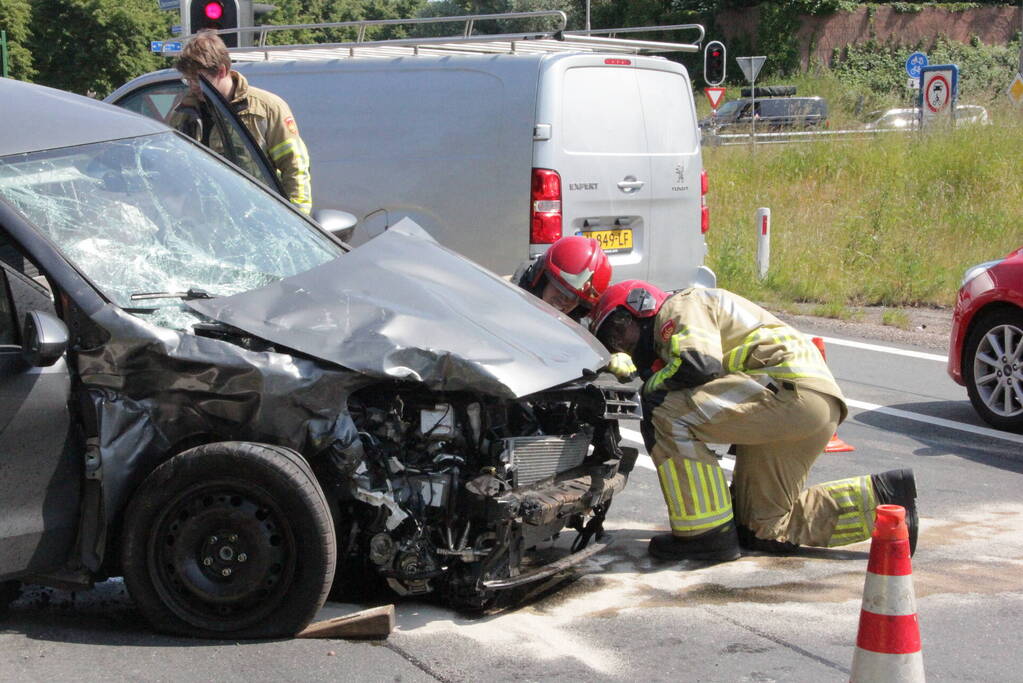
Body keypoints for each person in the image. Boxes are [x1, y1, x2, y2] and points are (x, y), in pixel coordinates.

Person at [589, 281, 918, 562]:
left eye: (620, 330)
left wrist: (646, 384)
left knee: (662, 409)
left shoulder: (680, 306)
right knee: (762, 528)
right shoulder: (682, 322)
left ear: (640, 306)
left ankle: (704, 535)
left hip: (786, 392)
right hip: (813, 403)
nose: (622, 344)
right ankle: (887, 506)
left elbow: (697, 364)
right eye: (613, 342)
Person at [175, 30, 312, 214]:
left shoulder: (268, 108)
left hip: (258, 217)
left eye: (198, 79)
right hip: (205, 222)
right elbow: (172, 169)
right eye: (188, 80)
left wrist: (299, 220)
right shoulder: (184, 111)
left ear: (222, 71)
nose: (192, 87)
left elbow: (295, 168)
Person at [514, 236, 635, 381]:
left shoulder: (577, 324)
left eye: (575, 299)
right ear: (542, 278)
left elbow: (589, 348)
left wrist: (610, 357)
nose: (565, 301)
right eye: (561, 289)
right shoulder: (509, 301)